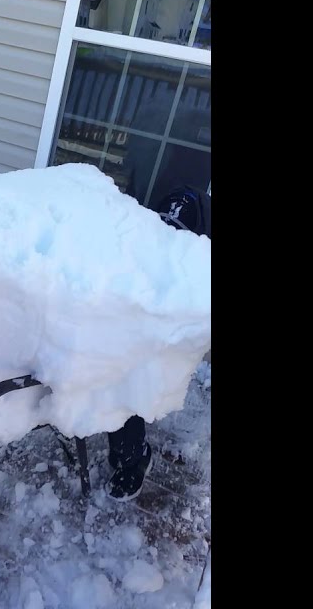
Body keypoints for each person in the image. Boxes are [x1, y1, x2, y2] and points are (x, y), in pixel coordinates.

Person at [107, 184, 212, 501]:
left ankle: (133, 457)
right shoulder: (136, 249)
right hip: (121, 331)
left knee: (130, 390)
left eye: (175, 231)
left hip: (161, 346)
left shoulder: (194, 267)